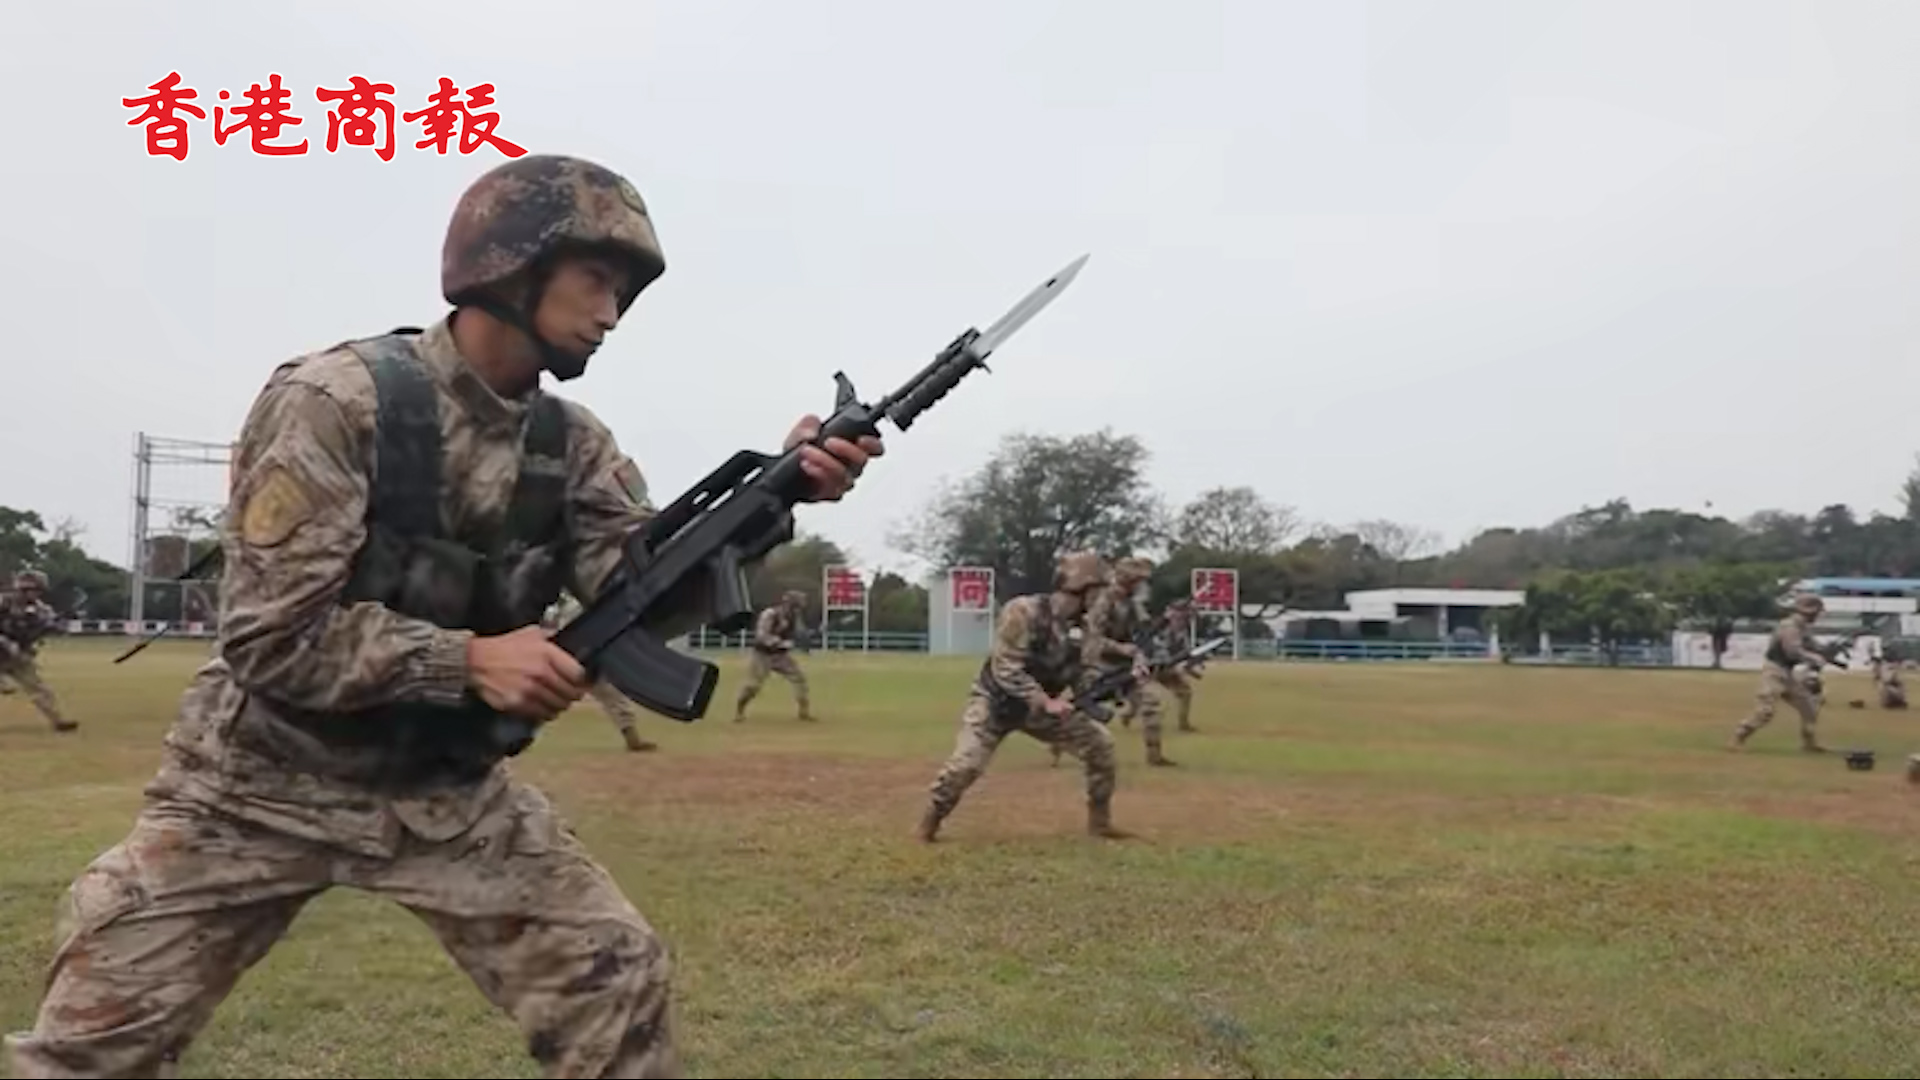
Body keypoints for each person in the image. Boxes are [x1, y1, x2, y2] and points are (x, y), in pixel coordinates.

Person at [4, 153, 883, 1079]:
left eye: (625, 291)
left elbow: (637, 594)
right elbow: (271, 636)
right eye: (596, 279)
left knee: (615, 981)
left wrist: (773, 504)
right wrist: (466, 661)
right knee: (87, 1051)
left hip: (445, 794)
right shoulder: (336, 402)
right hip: (255, 788)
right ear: (510, 265)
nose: (612, 312)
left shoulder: (572, 445)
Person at [917, 551, 1129, 841]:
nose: (1105, 599)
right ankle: (930, 821)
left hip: (1043, 709)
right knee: (965, 766)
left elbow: (1083, 678)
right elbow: (1005, 668)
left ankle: (1100, 822)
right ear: (1082, 588)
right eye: (1101, 591)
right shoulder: (1023, 612)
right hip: (995, 702)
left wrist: (1120, 683)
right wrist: (1044, 700)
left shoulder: (1087, 631)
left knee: (1101, 746)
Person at [1728, 593, 1830, 753]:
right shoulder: (1790, 627)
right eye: (1816, 612)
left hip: (1788, 672)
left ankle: (1809, 743)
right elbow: (1792, 651)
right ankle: (1738, 738)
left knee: (1809, 707)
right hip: (1774, 671)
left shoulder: (1802, 627)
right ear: (1810, 611)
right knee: (1765, 710)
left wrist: (1827, 651)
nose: (1818, 616)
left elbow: (1813, 645)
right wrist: (1813, 658)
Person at [0, 569, 78, 732]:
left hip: (19, 656)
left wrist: (62, 622)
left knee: (39, 688)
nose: (34, 594)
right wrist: (6, 642)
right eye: (30, 590)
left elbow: (52, 629)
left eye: (37, 590)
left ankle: (58, 721)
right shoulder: (4, 602)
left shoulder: (42, 609)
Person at [732, 589, 814, 722]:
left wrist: (805, 641)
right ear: (790, 604)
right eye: (797, 606)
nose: (798, 610)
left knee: (799, 679)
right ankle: (739, 711)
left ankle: (804, 713)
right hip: (762, 655)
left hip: (781, 656)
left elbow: (798, 633)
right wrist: (781, 643)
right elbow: (762, 635)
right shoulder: (770, 614)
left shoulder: (795, 616)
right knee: (753, 686)